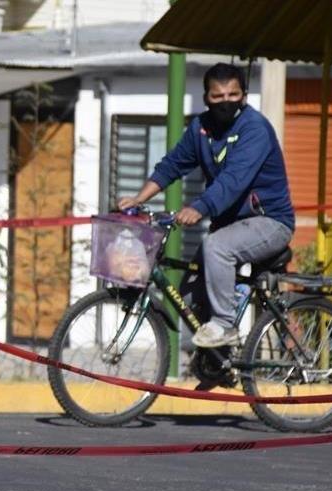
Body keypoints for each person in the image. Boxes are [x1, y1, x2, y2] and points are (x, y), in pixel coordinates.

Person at [118, 62, 294, 348]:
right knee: (189, 298)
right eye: (217, 97)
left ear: (244, 96)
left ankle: (225, 327)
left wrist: (199, 207)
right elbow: (172, 165)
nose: (226, 102)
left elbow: (233, 181)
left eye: (232, 95)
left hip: (270, 222)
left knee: (217, 247)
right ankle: (220, 364)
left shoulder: (255, 129)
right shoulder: (201, 128)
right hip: (229, 225)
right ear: (206, 99)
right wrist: (139, 199)